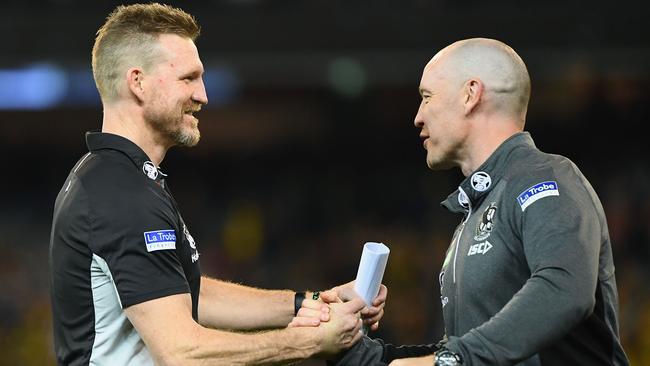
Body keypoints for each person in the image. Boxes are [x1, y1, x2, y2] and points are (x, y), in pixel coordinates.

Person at [48, 3, 386, 365]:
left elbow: (185, 293)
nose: (203, 95)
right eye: (188, 78)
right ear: (138, 82)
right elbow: (182, 352)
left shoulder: (113, 178)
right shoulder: (121, 195)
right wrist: (309, 342)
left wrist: (310, 303)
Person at [311, 38, 630, 365]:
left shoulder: (544, 178)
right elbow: (467, 352)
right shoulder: (476, 212)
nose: (417, 117)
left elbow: (564, 289)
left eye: (426, 97)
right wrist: (350, 347)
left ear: (470, 94)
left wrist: (449, 361)